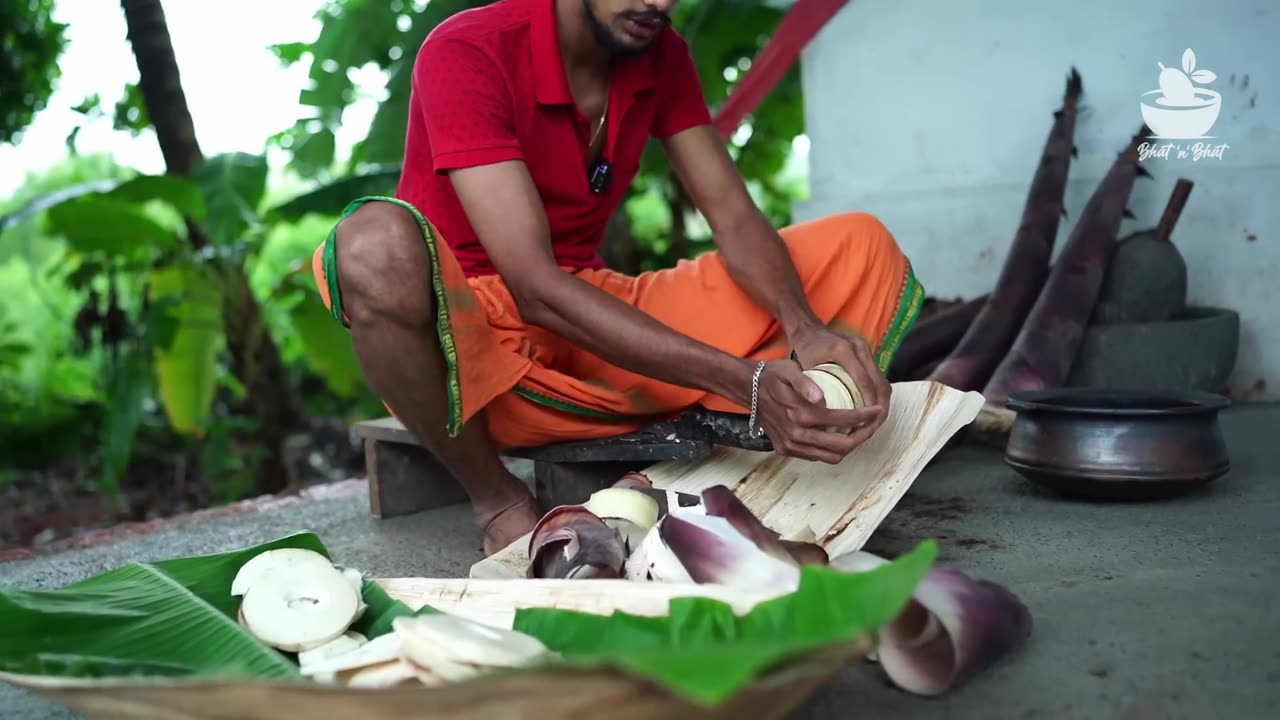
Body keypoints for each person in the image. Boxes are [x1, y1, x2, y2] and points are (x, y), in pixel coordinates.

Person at [310, 0, 924, 555]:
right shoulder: (468, 48)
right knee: (373, 245)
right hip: (468, 348)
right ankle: (496, 498)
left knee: (856, 244)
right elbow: (533, 286)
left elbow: (734, 218)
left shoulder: (659, 51)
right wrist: (746, 381)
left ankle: (683, 458)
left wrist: (805, 328)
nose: (658, 2)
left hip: (586, 315)